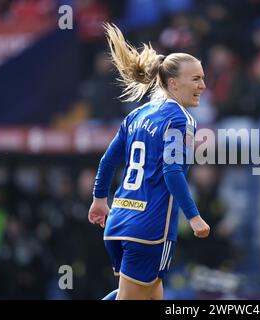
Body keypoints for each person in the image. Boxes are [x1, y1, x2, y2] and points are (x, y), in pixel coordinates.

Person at [88, 23, 210, 300]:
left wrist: (99, 200)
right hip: (150, 229)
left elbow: (108, 160)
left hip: (118, 222)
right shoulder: (180, 119)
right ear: (173, 83)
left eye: (203, 78)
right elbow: (172, 171)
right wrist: (193, 216)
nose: (203, 86)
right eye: (196, 79)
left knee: (149, 295)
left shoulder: (138, 115)